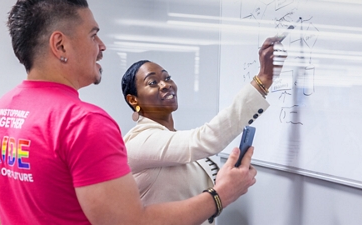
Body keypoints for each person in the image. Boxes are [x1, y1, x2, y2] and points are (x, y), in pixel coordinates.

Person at [0, 0, 258, 224]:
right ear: (60, 46)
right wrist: (220, 195)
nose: (102, 46)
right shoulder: (83, 122)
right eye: (93, 35)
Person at [121, 38, 285, 224]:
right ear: (133, 100)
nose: (166, 84)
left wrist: (226, 180)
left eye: (167, 78)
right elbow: (206, 139)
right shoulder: (138, 141)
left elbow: (197, 198)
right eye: (152, 82)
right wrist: (263, 80)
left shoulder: (173, 140)